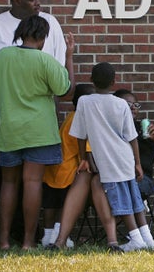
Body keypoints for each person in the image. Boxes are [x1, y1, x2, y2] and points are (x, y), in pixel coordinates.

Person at [0, 0, 66, 229]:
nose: (38, 3)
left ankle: (16, 237)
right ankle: (21, 237)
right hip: (3, 117)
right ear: (16, 1)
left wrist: (55, 112)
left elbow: (57, 71)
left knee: (24, 181)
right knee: (12, 179)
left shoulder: (50, 23)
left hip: (38, 120)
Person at [0, 15, 75, 250]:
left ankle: (3, 240)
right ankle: (27, 242)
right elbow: (66, 91)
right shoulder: (45, 61)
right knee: (33, 182)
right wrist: (69, 57)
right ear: (43, 38)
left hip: (9, 131)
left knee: (9, 183)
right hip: (39, 131)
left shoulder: (3, 56)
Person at [69, 62, 154, 252]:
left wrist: (83, 158)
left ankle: (136, 239)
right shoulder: (121, 104)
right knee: (133, 198)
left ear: (91, 80)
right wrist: (138, 163)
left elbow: (80, 136)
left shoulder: (84, 102)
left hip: (108, 163)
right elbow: (132, 137)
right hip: (125, 158)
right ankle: (147, 239)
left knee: (120, 201)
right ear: (114, 81)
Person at [48, 83, 121, 252]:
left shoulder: (72, 117)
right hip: (66, 174)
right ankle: (112, 241)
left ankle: (59, 239)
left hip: (58, 172)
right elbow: (89, 156)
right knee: (90, 177)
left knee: (90, 179)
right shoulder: (81, 120)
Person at [39, 85, 96, 249]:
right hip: (68, 171)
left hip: (52, 169)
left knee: (50, 204)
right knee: (66, 204)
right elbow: (86, 151)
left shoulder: (71, 116)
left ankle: (47, 236)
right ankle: (59, 234)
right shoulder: (83, 120)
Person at [113, 89, 154, 198]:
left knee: (127, 189)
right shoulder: (109, 129)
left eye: (136, 105)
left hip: (141, 179)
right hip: (115, 177)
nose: (133, 107)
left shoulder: (144, 130)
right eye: (127, 104)